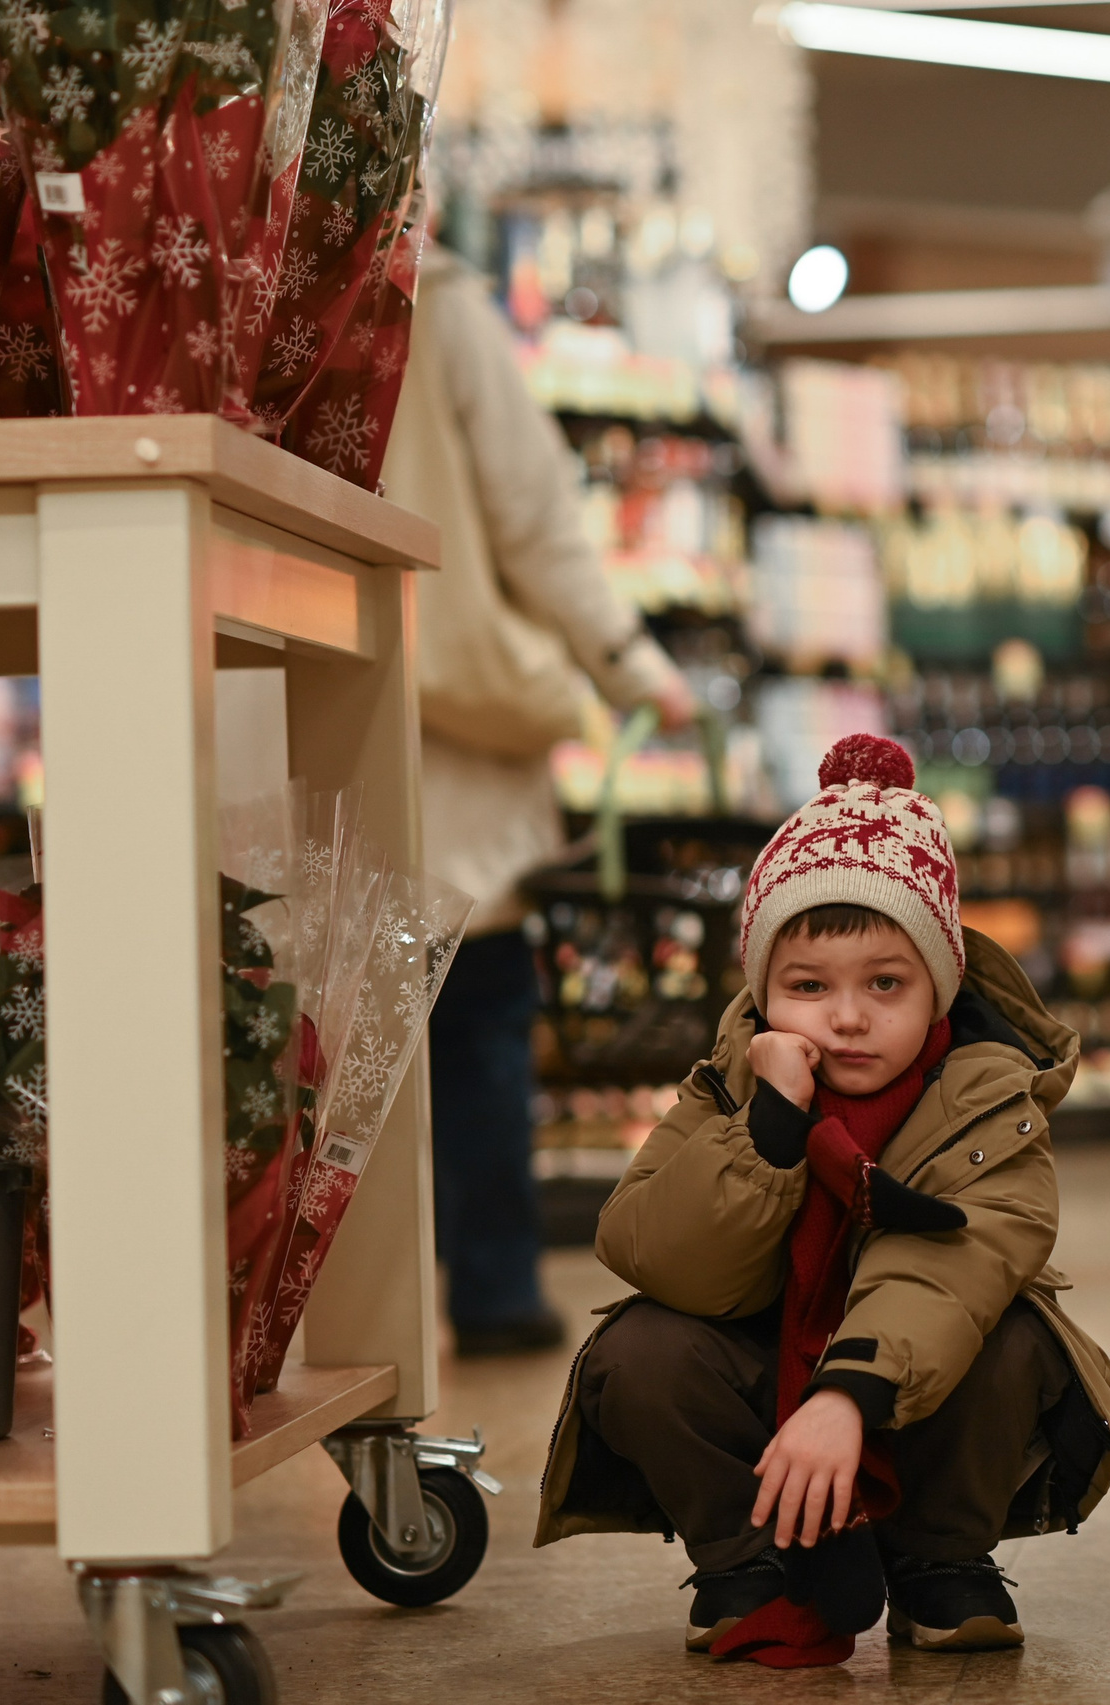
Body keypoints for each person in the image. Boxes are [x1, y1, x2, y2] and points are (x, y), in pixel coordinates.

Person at [532, 733, 1110, 1667]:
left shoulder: (989, 1095)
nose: (846, 1017)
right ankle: (750, 1564)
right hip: (765, 1387)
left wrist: (850, 1391)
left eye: (884, 984)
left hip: (906, 1390)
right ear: (764, 990)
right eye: (808, 986)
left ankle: (938, 1556)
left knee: (1014, 1339)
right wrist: (770, 1130)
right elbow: (650, 1248)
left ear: (940, 983)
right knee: (639, 1349)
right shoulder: (731, 1085)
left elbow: (956, 1260)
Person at [379, 238, 696, 1354]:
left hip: (273, 693)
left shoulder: (234, 269)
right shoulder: (438, 299)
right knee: (477, 1022)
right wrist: (631, 664)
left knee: (319, 1035)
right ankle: (495, 1289)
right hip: (454, 719)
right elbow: (533, 516)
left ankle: (327, 1307)